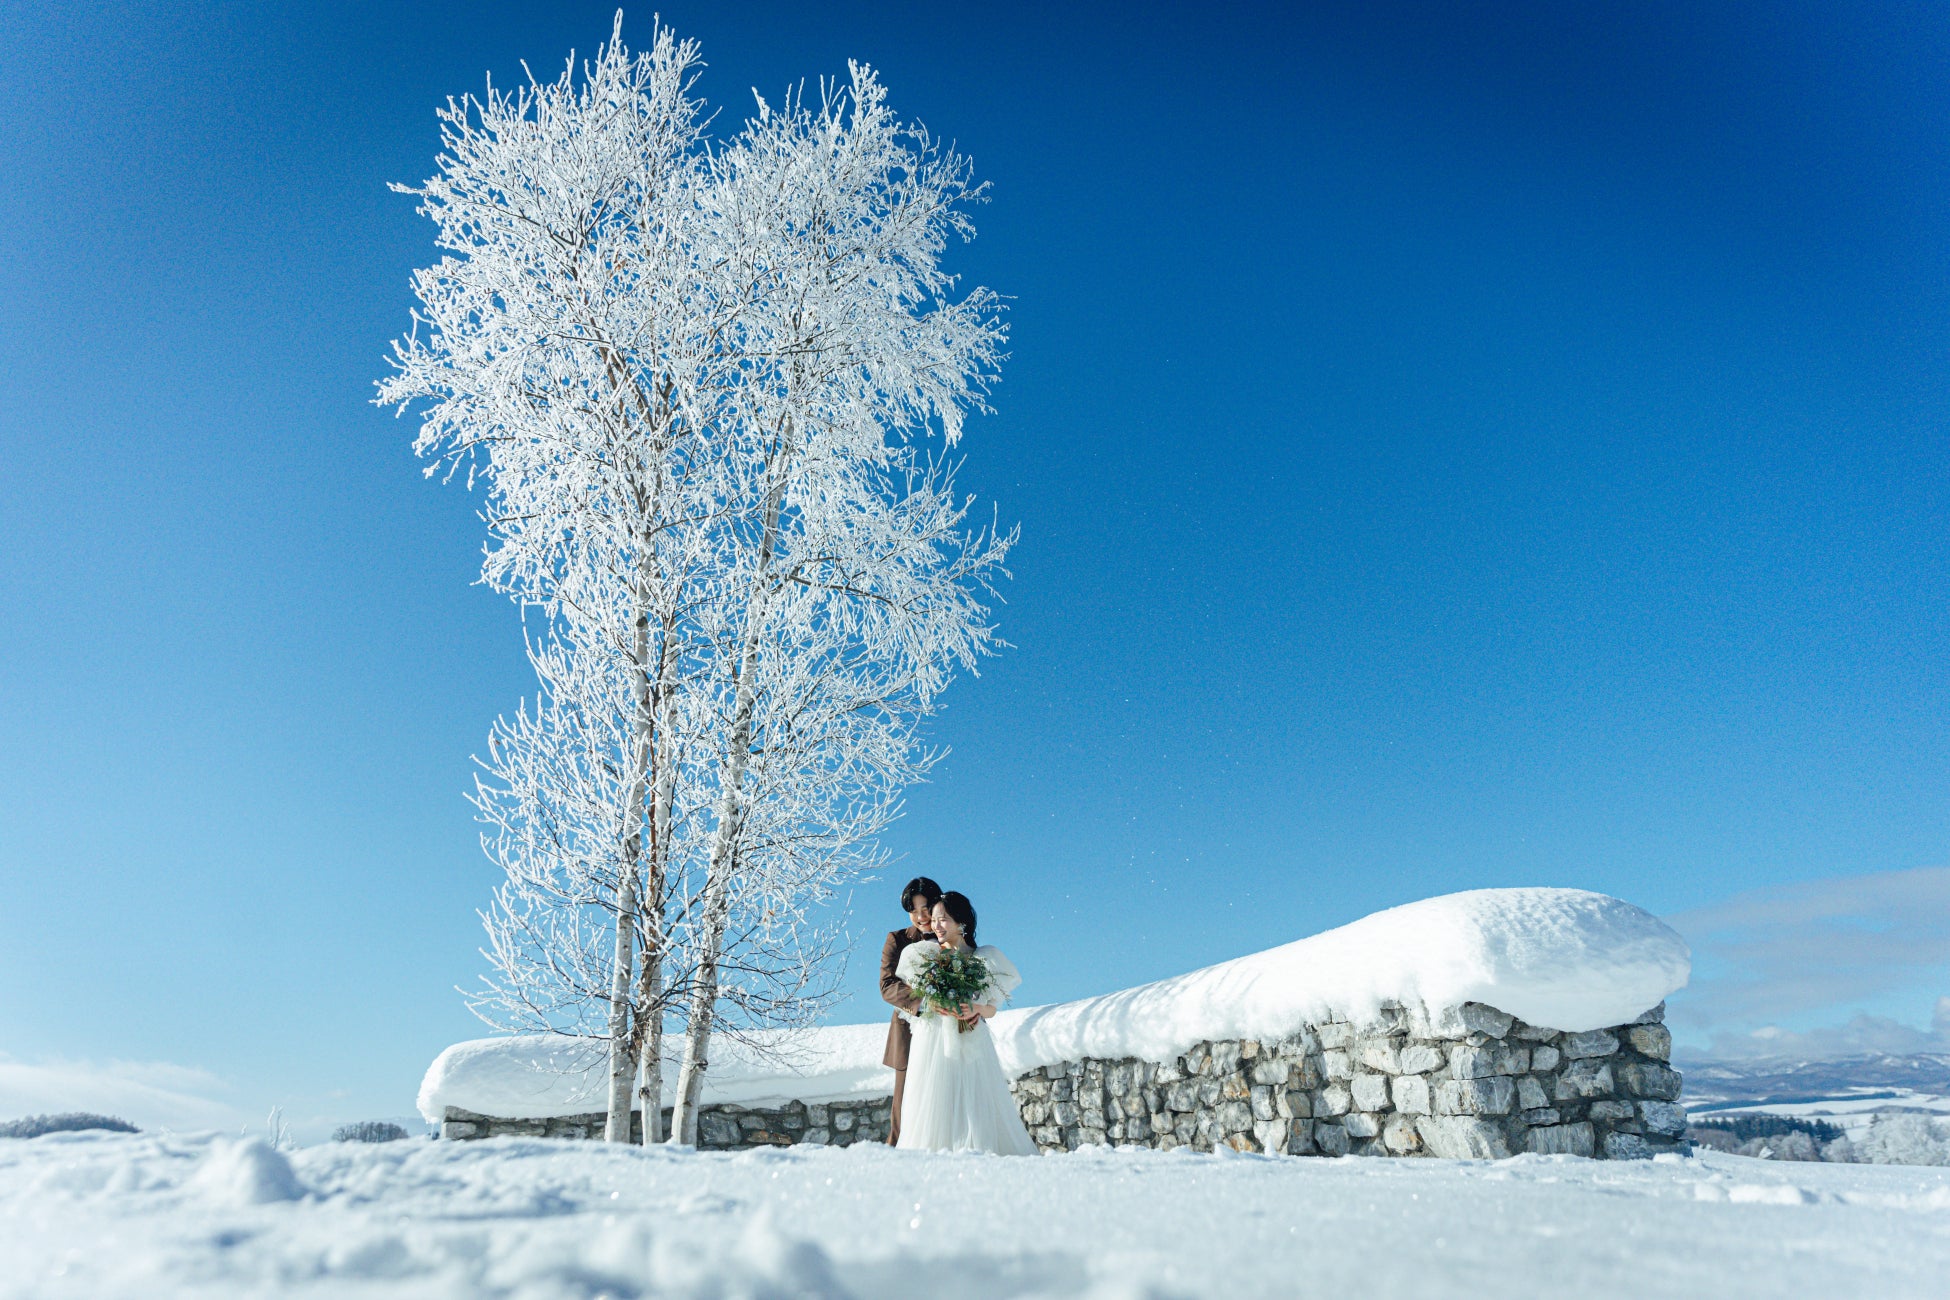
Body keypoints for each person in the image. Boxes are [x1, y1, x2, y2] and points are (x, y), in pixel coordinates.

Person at [893, 891, 1038, 1155]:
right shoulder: (925, 957)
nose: (936, 925)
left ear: (962, 923)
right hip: (934, 1039)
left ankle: (978, 1152)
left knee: (976, 1098)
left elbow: (992, 1009)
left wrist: (977, 1008)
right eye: (934, 920)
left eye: (944, 919)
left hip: (971, 1038)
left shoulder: (985, 958)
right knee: (936, 1098)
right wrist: (931, 1002)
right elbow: (910, 994)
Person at [879, 876, 940, 1146]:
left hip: (948, 1031)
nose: (921, 916)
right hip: (910, 1031)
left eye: (926, 908)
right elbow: (887, 985)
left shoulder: (950, 936)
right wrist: (924, 1003)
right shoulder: (897, 939)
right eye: (913, 910)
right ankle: (893, 1159)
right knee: (905, 1106)